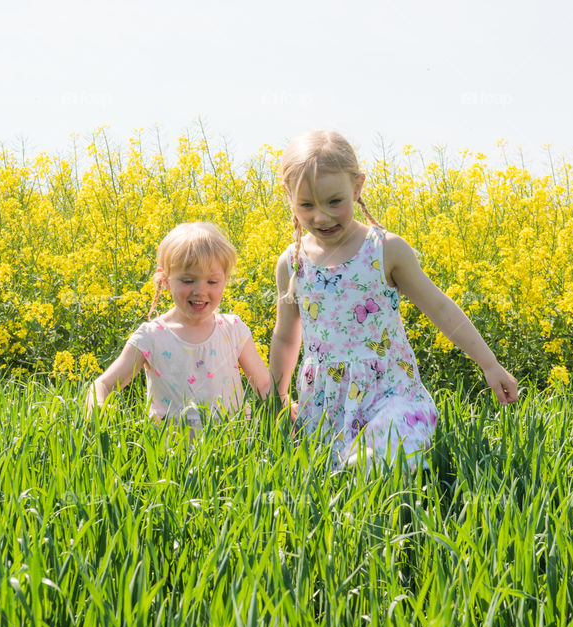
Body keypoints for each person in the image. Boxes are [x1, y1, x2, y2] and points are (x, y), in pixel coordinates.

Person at [269, 131, 518, 468]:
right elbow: (286, 336)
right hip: (326, 404)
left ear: (357, 187)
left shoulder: (385, 250)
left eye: (334, 201)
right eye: (306, 205)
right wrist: (278, 399)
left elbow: (440, 308)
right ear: (289, 196)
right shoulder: (292, 263)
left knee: (373, 462)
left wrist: (489, 363)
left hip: (392, 395)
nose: (321, 217)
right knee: (329, 475)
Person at [86, 222, 271, 430]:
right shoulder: (151, 336)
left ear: (225, 280)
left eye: (212, 282)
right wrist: (97, 404)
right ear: (165, 280)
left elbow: (263, 385)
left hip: (232, 454)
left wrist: (286, 408)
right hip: (170, 457)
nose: (200, 291)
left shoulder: (233, 329)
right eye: (187, 280)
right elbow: (104, 383)